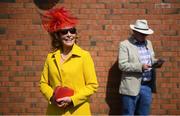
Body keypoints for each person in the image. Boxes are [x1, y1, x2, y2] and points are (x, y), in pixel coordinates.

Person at [39, 7, 98, 115]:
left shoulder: (84, 56)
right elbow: (43, 83)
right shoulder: (50, 57)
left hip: (77, 111)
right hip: (55, 111)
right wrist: (52, 97)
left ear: (76, 34)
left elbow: (92, 85)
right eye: (64, 32)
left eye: (72, 31)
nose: (69, 34)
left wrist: (72, 100)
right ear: (58, 35)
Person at [118, 19, 164, 115]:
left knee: (144, 114)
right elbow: (122, 65)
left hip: (147, 86)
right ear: (134, 32)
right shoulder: (125, 45)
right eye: (142, 34)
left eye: (145, 34)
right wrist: (140, 67)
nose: (144, 36)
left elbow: (150, 60)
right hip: (131, 86)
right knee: (128, 113)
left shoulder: (149, 43)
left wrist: (156, 62)